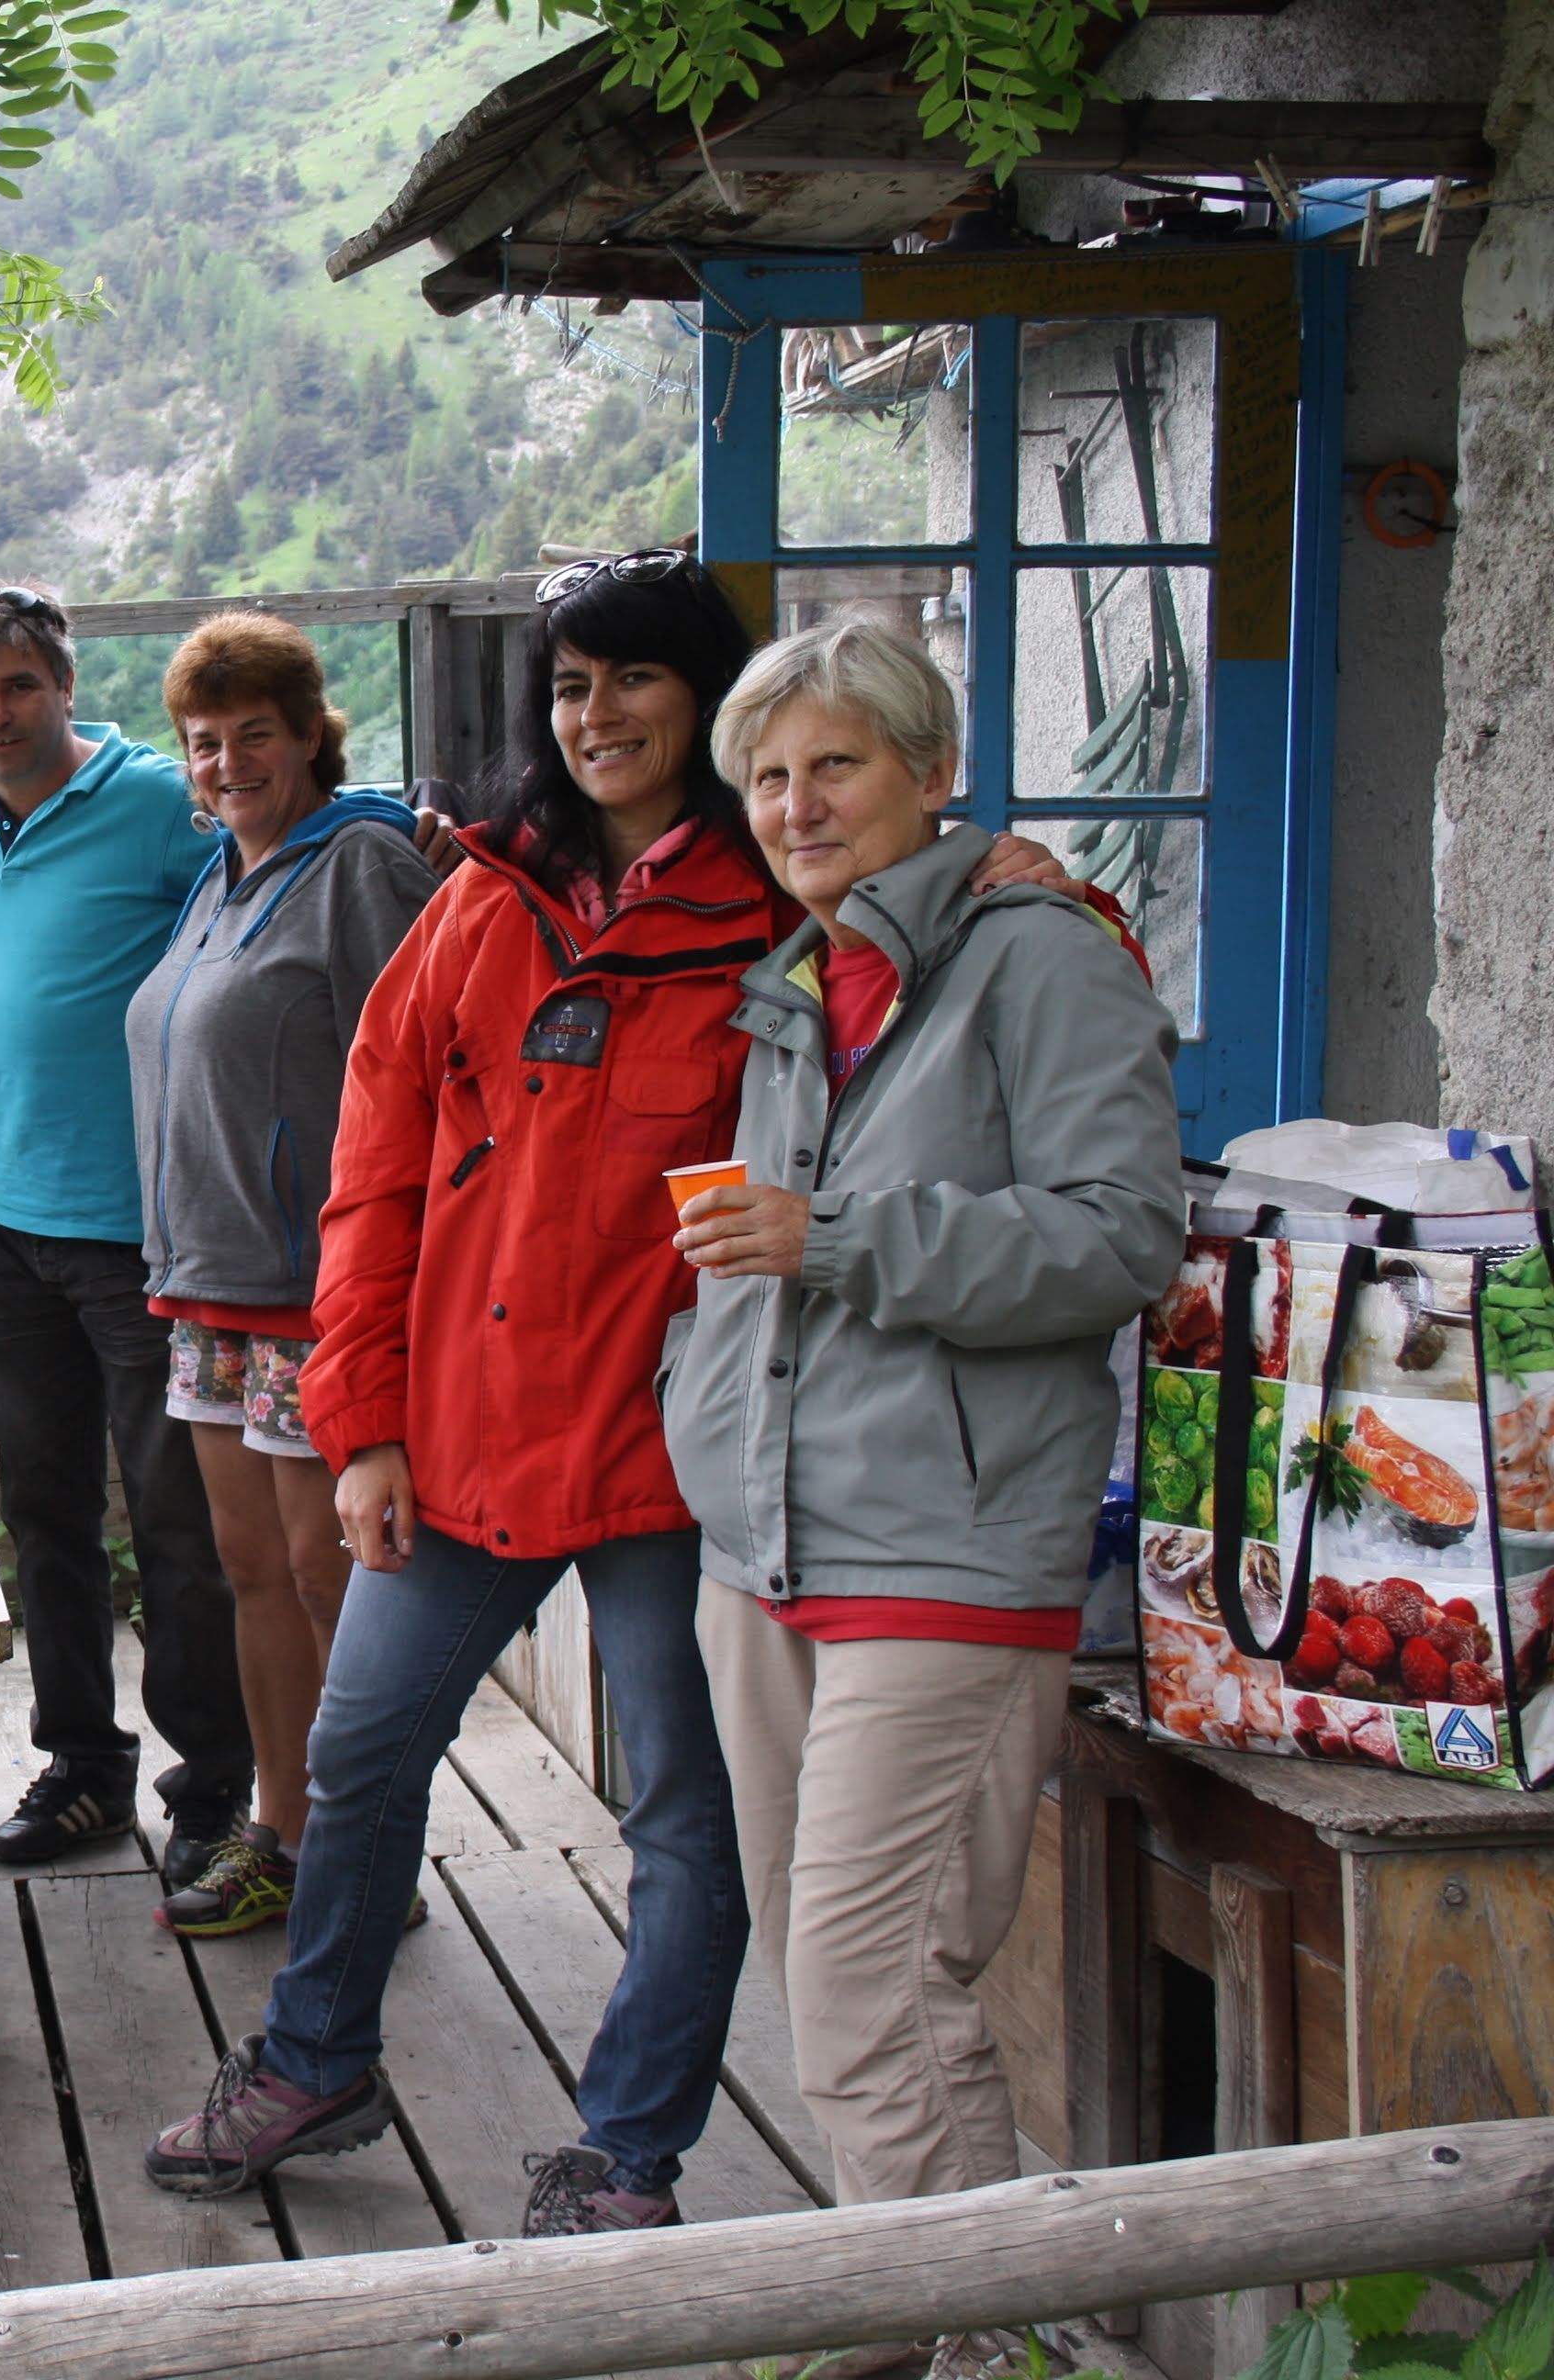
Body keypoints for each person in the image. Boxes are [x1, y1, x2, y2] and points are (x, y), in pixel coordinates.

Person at [141, 551, 1089, 2226]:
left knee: (683, 1815)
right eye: (570, 686)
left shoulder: (786, 903)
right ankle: (313, 2053)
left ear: (705, 698)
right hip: (467, 1427)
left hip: (684, 1450)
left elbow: (931, 952)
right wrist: (361, 1424)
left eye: (635, 678)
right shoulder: (478, 900)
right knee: (361, 1746)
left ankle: (630, 2151)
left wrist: (997, 861)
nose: (598, 716)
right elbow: (373, 1177)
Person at [664, 619, 1181, 2380]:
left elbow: (1120, 1237)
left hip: (943, 1553)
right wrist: (695, 1399)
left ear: (931, 771)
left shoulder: (1038, 954)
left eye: (835, 764)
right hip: (765, 1545)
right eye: (765, 777)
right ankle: (898, 2311)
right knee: (832, 1981)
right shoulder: (801, 979)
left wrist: (832, 1237)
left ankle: (981, 2344)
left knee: (871, 1984)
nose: (794, 805)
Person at [0, 586, 252, 1894]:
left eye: (19, 686)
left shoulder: (158, 801)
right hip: (0, 1218)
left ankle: (214, 1788)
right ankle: (83, 1766)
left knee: (180, 1525)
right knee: (44, 1512)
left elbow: (287, 843)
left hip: (143, 1230)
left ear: (67, 687)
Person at [124, 613, 442, 1938]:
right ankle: (281, 1832)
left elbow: (430, 1067)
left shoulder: (361, 863)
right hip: (210, 1283)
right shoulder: (221, 873)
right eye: (204, 742)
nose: (228, 762)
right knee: (251, 1570)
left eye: (255, 734)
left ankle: (367, 1862)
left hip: (321, 1290)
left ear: (311, 733)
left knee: (331, 1579)